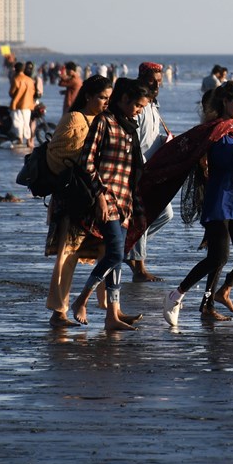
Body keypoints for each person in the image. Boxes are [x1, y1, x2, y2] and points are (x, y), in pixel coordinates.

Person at [162, 81, 233, 327]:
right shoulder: (215, 130)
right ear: (226, 101)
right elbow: (222, 160)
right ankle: (175, 295)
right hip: (219, 201)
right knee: (217, 258)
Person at [70, 78, 152, 331]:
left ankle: (112, 315)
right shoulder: (104, 121)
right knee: (115, 253)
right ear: (123, 99)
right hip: (107, 199)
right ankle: (81, 300)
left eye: (142, 107)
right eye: (137, 105)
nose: (139, 110)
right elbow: (87, 161)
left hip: (126, 201)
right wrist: (100, 196)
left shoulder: (129, 127)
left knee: (119, 256)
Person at [43, 75, 119, 328]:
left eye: (109, 98)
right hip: (73, 200)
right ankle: (59, 311)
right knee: (68, 255)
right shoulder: (75, 119)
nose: (107, 102)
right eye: (102, 97)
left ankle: (110, 309)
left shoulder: (102, 120)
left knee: (108, 250)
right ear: (88, 95)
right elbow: (59, 154)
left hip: (95, 198)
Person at [124, 62, 174, 282]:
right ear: (142, 78)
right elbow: (133, 140)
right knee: (144, 217)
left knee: (164, 214)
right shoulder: (138, 105)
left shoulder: (153, 105)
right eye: (152, 80)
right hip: (139, 170)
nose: (156, 85)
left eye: (159, 81)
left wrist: (165, 141)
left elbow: (150, 137)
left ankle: (127, 248)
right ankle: (139, 269)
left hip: (153, 169)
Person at [9, 62, 36, 148]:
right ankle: (28, 140)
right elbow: (33, 92)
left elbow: (11, 92)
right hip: (28, 105)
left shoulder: (16, 79)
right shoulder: (30, 80)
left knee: (18, 122)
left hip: (17, 104)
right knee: (26, 122)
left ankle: (20, 139)